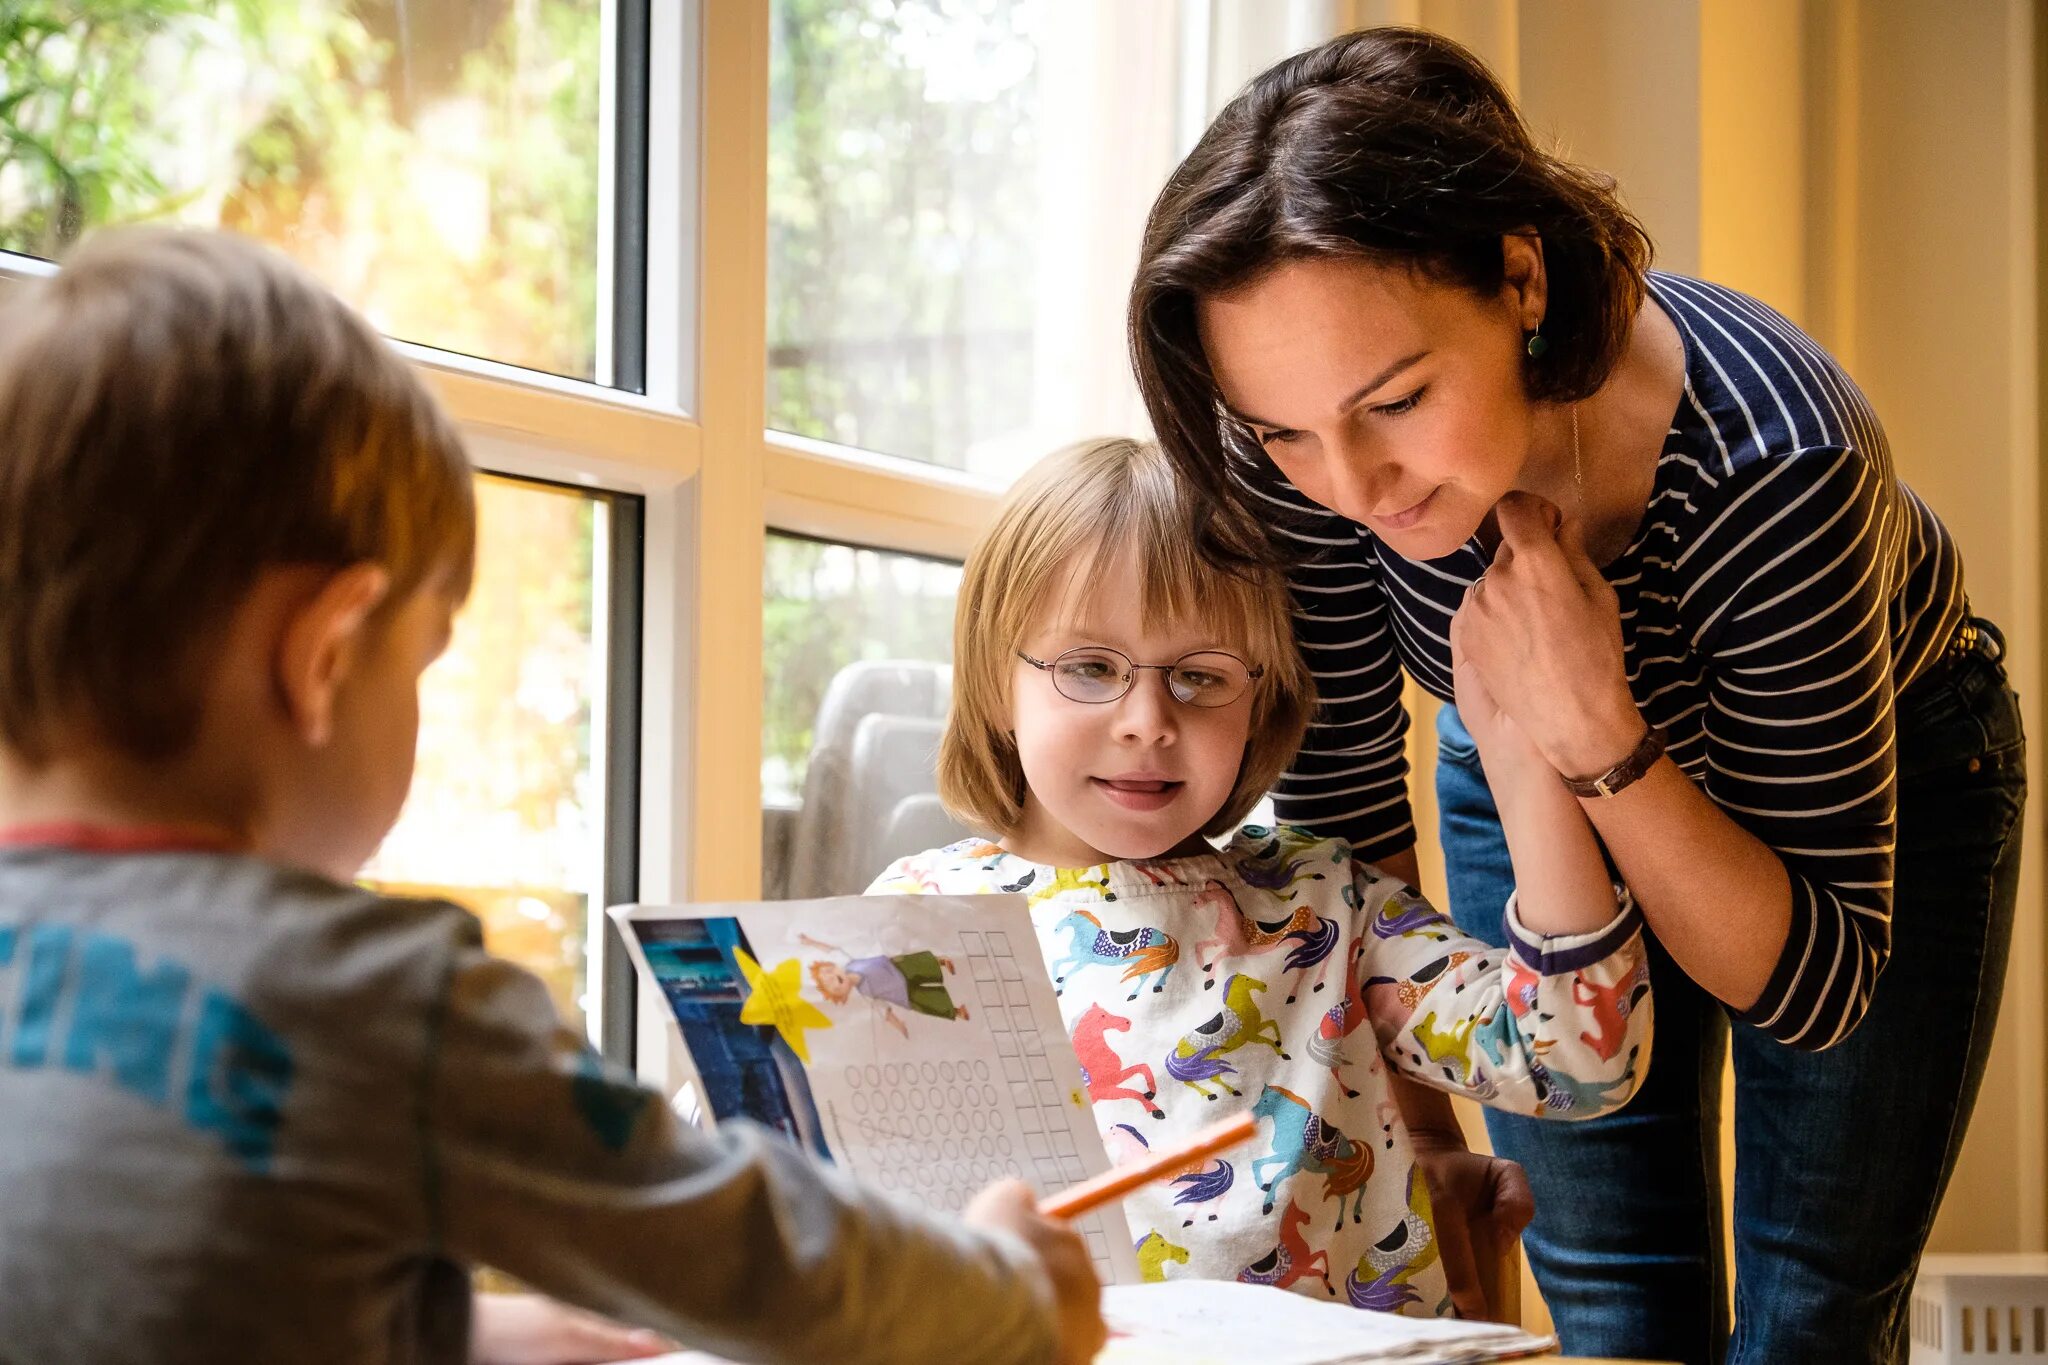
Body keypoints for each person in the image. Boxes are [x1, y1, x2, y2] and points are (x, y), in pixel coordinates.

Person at [0, 226, 1105, 1365]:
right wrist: (1007, 1290)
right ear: (320, 655)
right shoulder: (374, 998)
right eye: (421, 661)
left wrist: (454, 1334)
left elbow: (151, 1286)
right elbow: (737, 1247)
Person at [1126, 26, 2025, 1364]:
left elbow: (1816, 989)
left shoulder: (1779, 461)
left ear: (1522, 279)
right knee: (1611, 1301)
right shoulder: (1298, 451)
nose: (1354, 487)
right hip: (1530, 770)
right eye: (1286, 433)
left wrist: (1595, 730)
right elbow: (1355, 804)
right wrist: (1424, 1142)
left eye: (1398, 400)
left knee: (1810, 1319)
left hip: (1884, 774)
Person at [869, 436, 1651, 1317]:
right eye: (1090, 667)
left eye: (1201, 677)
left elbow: (1582, 1059)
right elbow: (802, 1188)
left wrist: (1518, 755)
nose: (1147, 721)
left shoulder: (1326, 903)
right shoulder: (915, 923)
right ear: (992, 681)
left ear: (1263, 702)